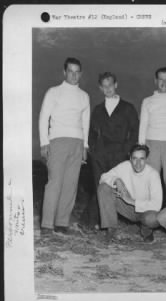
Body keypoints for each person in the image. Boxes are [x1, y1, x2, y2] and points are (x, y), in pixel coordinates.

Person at [39, 57, 90, 235]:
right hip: (57, 140)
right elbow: (43, 118)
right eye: (70, 71)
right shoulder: (53, 92)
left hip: (77, 142)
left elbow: (86, 122)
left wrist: (85, 145)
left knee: (71, 184)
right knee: (54, 183)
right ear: (64, 72)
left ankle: (62, 222)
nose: (74, 75)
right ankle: (46, 224)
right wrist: (44, 142)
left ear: (81, 74)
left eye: (77, 72)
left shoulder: (84, 96)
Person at [81, 72, 139, 229]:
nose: (108, 88)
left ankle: (132, 219)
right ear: (100, 88)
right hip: (100, 155)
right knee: (100, 187)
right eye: (104, 86)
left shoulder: (128, 108)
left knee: (120, 188)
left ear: (116, 85)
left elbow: (135, 131)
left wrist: (127, 150)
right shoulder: (98, 109)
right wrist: (94, 149)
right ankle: (92, 222)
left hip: (120, 154)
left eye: (110, 85)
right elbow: (91, 132)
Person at [97, 144, 162, 242]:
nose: (138, 163)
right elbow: (103, 177)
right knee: (104, 188)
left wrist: (132, 201)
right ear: (130, 158)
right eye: (135, 158)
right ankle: (111, 229)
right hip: (127, 207)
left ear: (147, 159)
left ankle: (146, 231)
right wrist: (116, 180)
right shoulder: (125, 166)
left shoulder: (153, 174)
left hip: (145, 210)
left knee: (153, 218)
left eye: (142, 159)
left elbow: (157, 205)